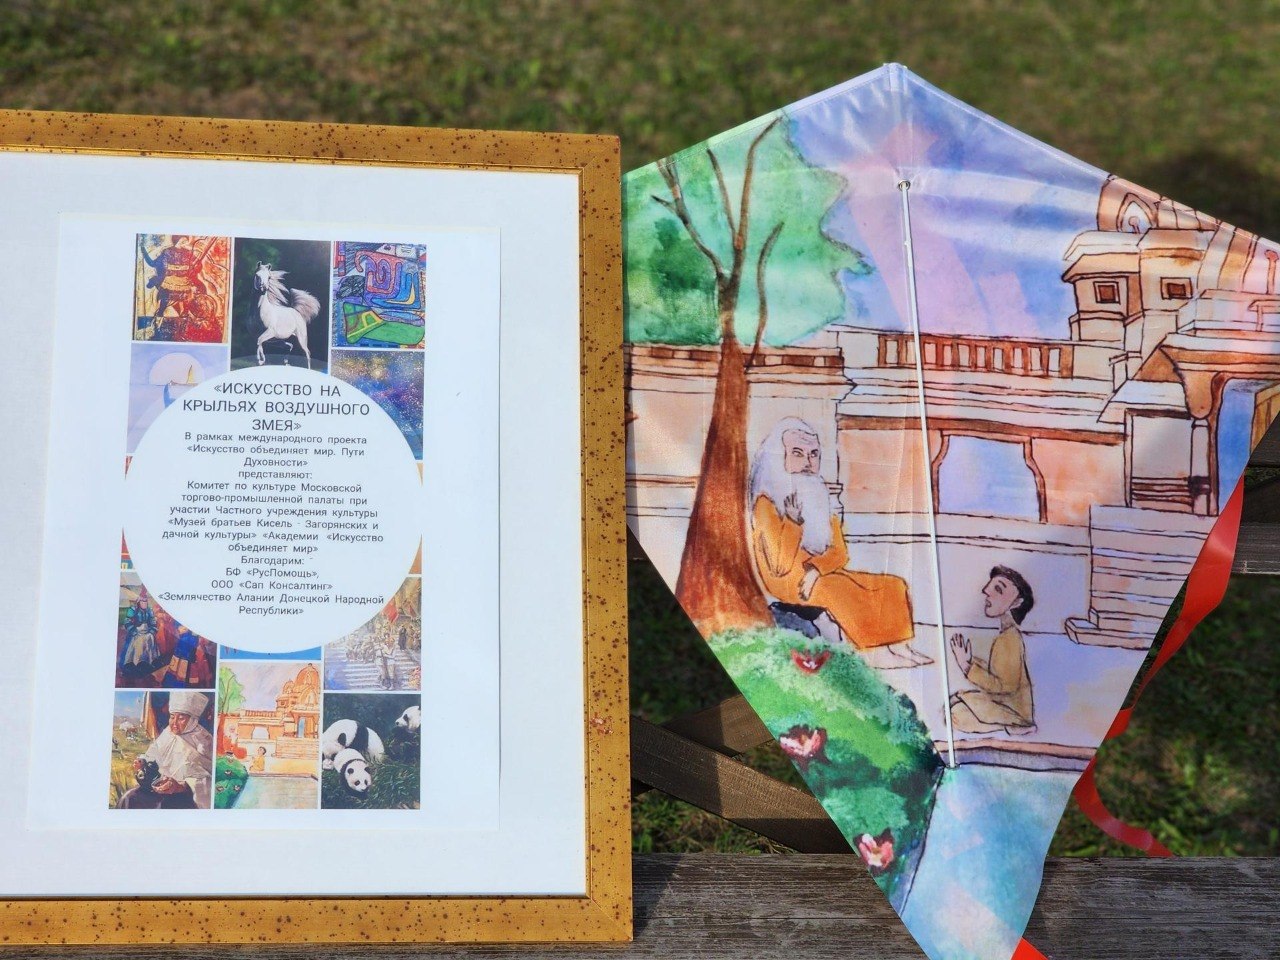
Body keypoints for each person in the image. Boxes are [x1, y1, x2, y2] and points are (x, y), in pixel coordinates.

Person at [749, 417, 926, 668]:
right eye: (798, 453)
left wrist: (815, 570)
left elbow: (840, 553)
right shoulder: (766, 502)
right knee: (838, 591)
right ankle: (875, 653)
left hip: (819, 573)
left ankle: (899, 647)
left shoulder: (820, 497)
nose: (808, 462)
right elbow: (779, 565)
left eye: (814, 454)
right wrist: (793, 521)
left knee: (892, 585)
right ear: (780, 457)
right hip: (788, 580)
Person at [948, 566, 1036, 735]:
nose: (986, 591)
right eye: (990, 586)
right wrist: (970, 661)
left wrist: (967, 667)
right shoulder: (1006, 636)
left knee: (956, 715)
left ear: (1017, 602)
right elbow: (997, 673)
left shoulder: (1010, 639)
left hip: (1013, 710)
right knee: (955, 703)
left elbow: (1004, 686)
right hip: (1003, 702)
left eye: (998, 589)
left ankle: (1014, 727)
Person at [117, 691, 214, 809]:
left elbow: (208, 780)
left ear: (192, 720)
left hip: (185, 796)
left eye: (181, 718)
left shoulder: (204, 740)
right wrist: (142, 762)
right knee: (128, 798)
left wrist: (181, 786)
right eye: (172, 717)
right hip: (158, 788)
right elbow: (152, 756)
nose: (174, 723)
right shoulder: (167, 733)